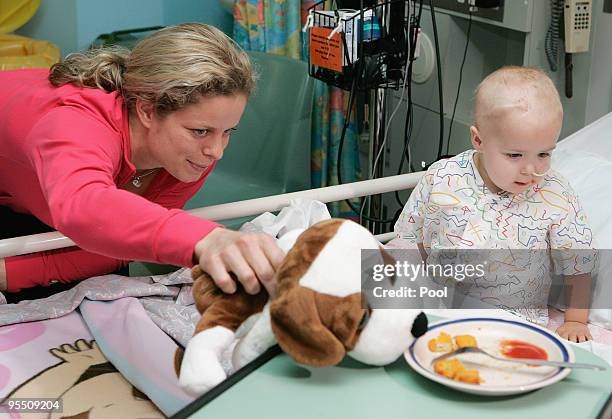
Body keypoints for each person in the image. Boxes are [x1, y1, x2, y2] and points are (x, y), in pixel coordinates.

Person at [0, 23, 284, 301]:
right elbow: (84, 206)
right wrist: (206, 238)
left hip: (35, 196)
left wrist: (13, 272)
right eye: (200, 131)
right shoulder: (74, 123)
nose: (216, 151)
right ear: (147, 110)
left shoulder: (189, 156)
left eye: (227, 132)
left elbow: (120, 245)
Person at [393, 66, 596, 343]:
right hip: (438, 307)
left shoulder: (555, 195)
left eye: (544, 154)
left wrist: (575, 320)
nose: (531, 169)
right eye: (515, 154)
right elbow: (410, 242)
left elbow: (579, 265)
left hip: (515, 321)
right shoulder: (443, 177)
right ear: (479, 139)